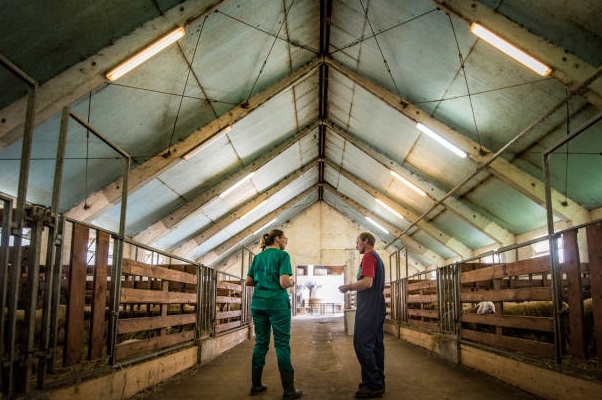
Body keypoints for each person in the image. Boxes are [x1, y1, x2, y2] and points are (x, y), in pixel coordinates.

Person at [245, 229, 302, 400]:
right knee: (282, 345)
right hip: (277, 304)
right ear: (277, 239)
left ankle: (256, 385)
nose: (286, 242)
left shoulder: (258, 257)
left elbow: (248, 281)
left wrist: (263, 280)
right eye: (285, 238)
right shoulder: (282, 256)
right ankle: (289, 390)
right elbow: (284, 283)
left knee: (260, 344)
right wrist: (291, 281)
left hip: (259, 304)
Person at [338, 232, 386, 399]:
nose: (356, 244)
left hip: (369, 306)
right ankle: (377, 382)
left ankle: (373, 385)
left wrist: (348, 287)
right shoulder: (376, 257)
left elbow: (367, 282)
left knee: (362, 343)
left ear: (366, 241)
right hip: (377, 304)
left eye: (357, 241)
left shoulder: (368, 257)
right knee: (376, 344)